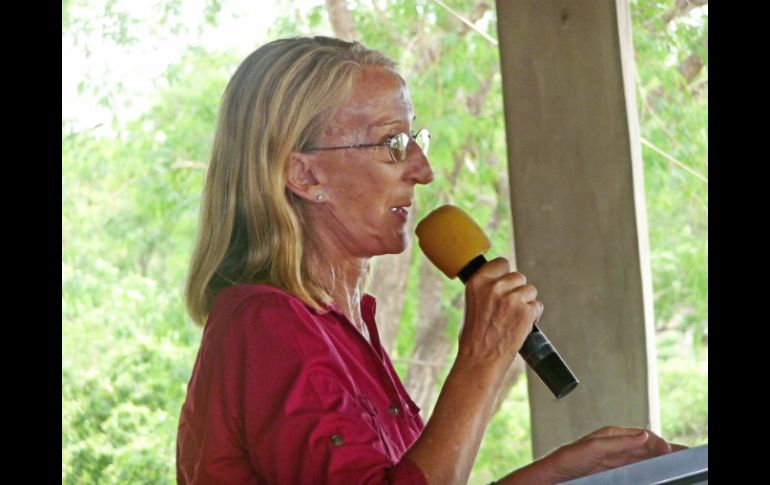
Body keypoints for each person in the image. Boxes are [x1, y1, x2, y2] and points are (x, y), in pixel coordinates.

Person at [176, 36, 683, 484]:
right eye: (393, 144)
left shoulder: (344, 324)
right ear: (305, 176)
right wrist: (481, 360)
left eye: (416, 139)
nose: (423, 170)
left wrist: (565, 473)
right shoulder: (268, 325)